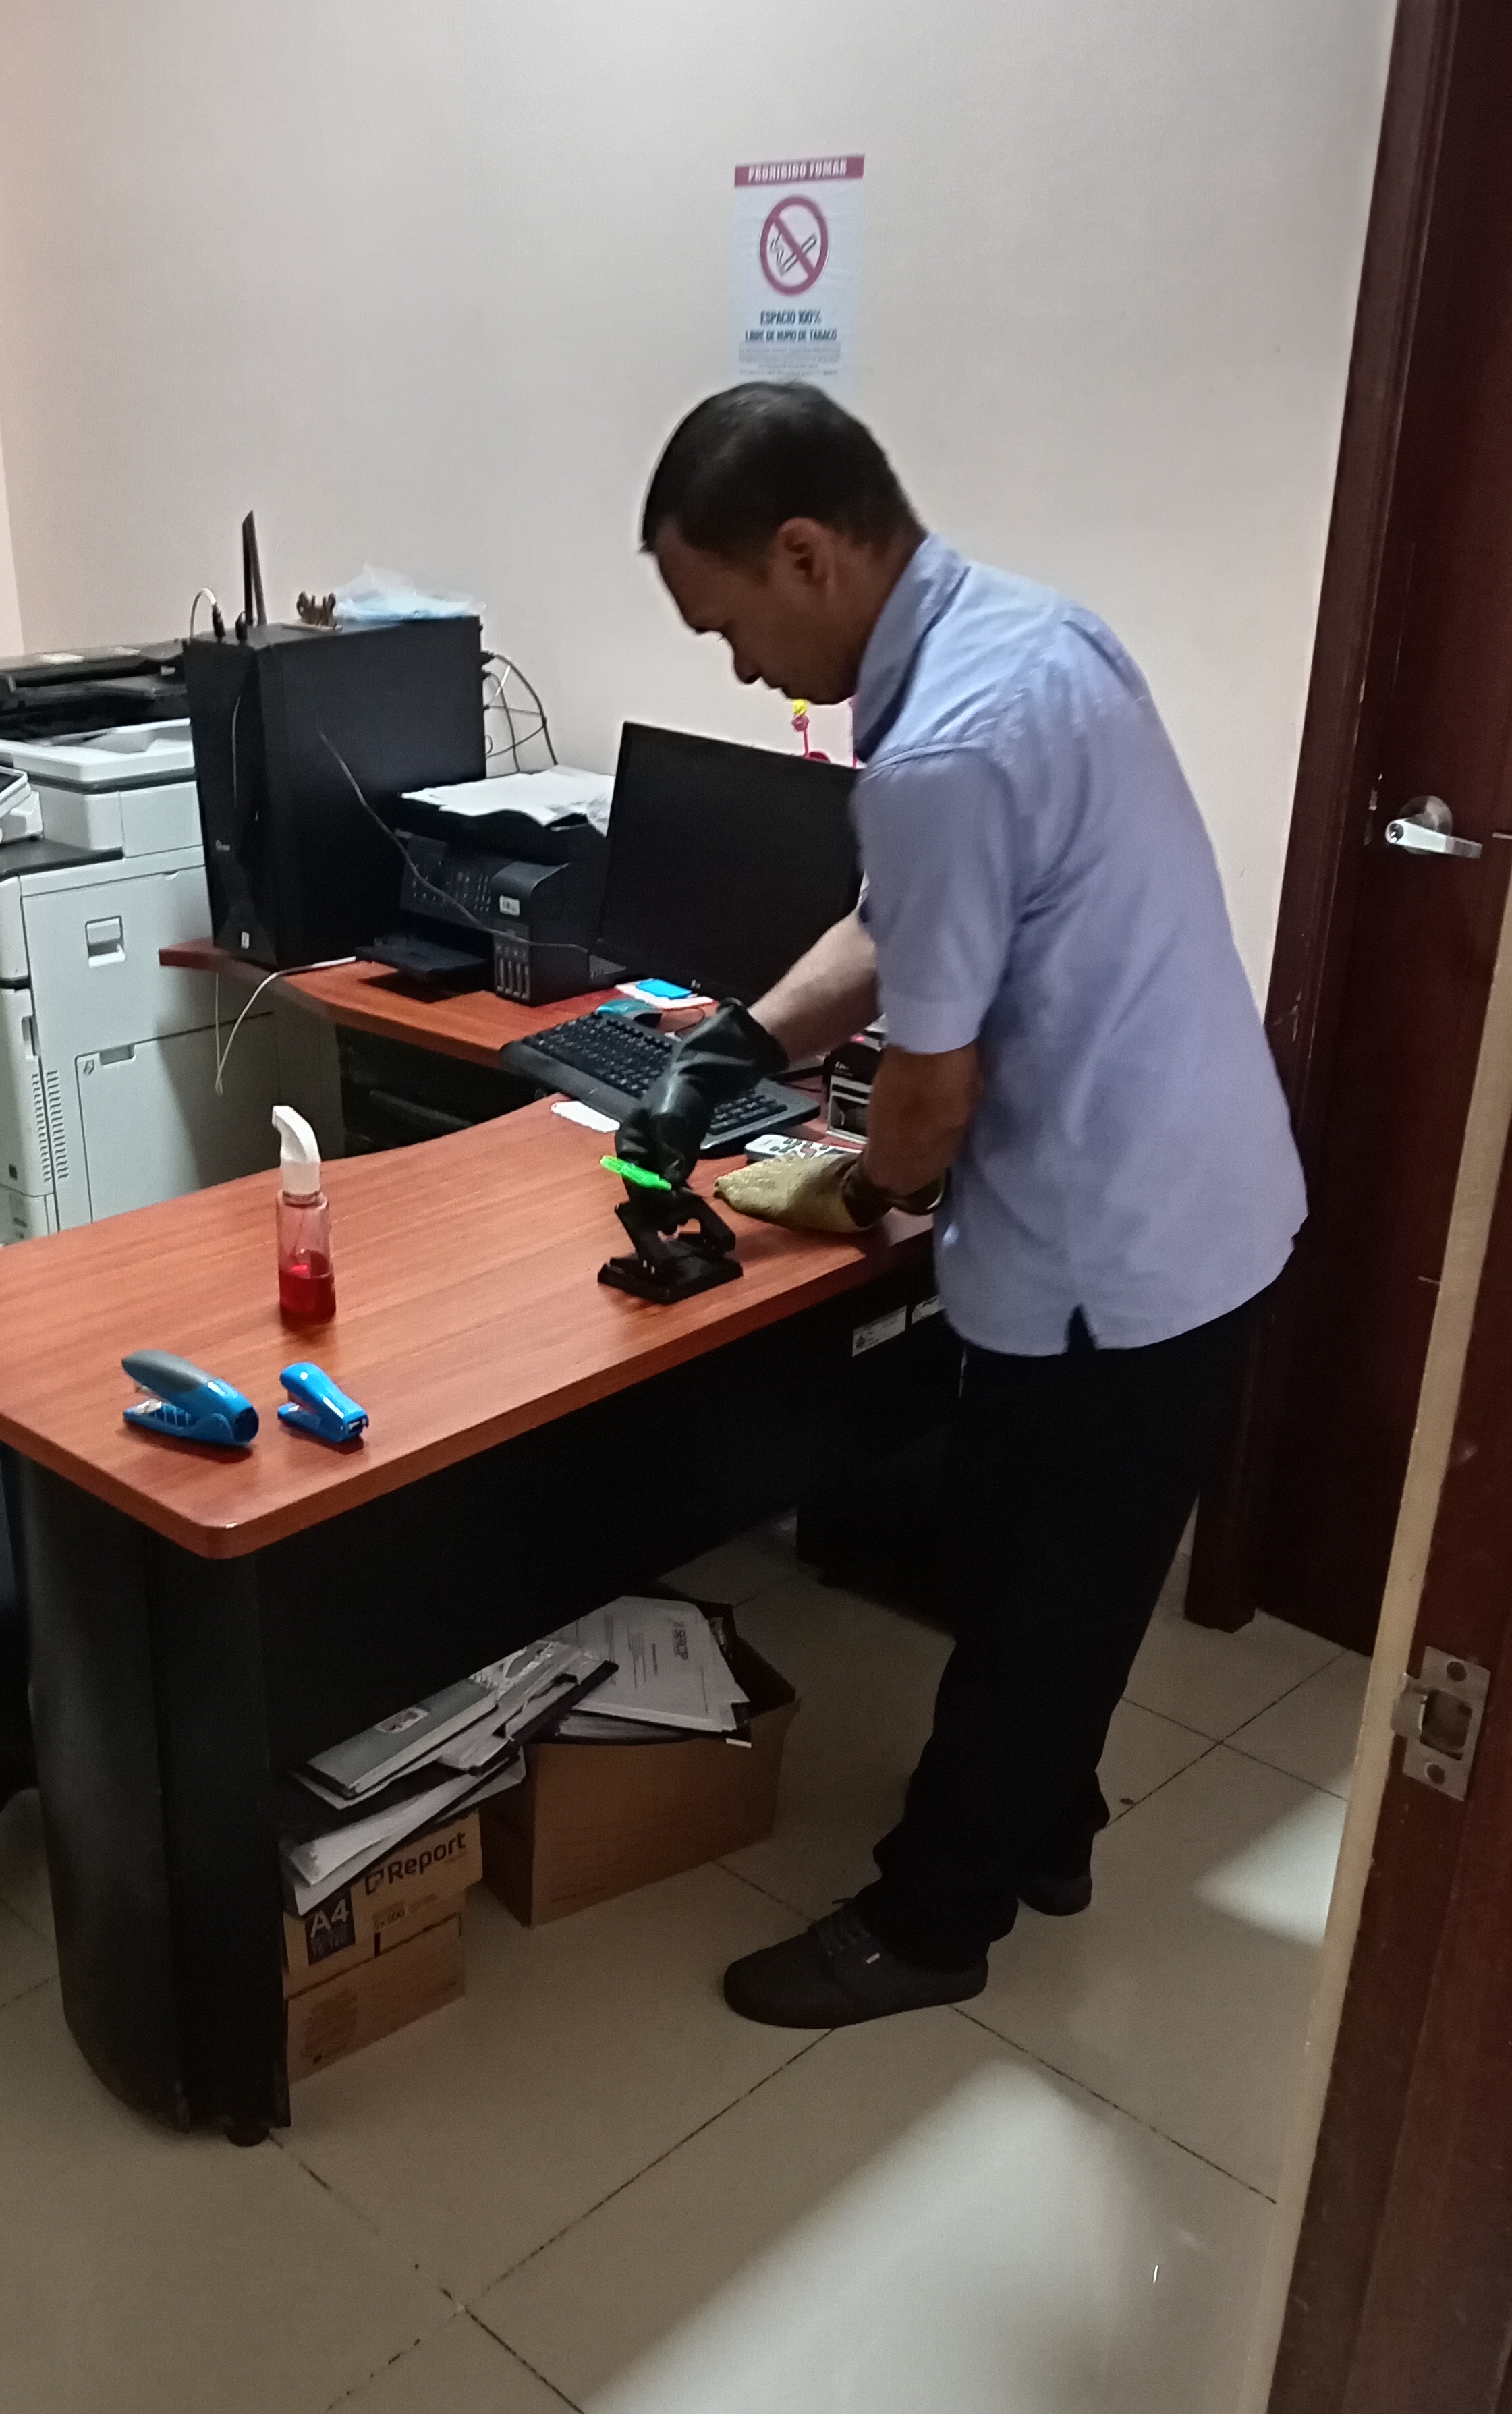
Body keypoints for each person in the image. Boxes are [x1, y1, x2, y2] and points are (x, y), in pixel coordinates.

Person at [621, 381, 1306, 2034]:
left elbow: (930, 1092)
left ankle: (932, 1921)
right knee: (1045, 1555)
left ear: (806, 552)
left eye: (728, 626)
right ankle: (1045, 1830)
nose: (738, 669)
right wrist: (737, 1044)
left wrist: (849, 1189)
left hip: (1116, 1245)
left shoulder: (939, 745)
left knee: (1033, 1599)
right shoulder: (1032, 636)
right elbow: (903, 917)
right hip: (1200, 1195)